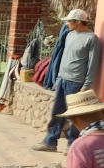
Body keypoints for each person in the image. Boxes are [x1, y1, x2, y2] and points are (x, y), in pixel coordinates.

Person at [33, 9, 101, 153]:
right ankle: (50, 141)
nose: (67, 23)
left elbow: (92, 63)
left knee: (73, 117)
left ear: (78, 22)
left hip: (77, 83)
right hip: (63, 80)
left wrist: (86, 85)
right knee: (57, 113)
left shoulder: (91, 39)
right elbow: (64, 58)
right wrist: (58, 78)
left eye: (69, 21)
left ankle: (72, 145)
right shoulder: (69, 35)